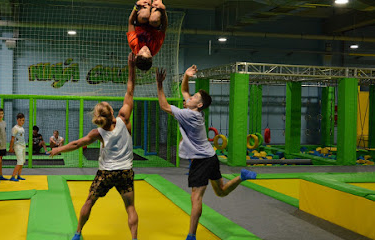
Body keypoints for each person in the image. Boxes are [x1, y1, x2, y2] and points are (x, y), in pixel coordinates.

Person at [156, 65, 257, 240]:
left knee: (196, 197)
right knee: (222, 191)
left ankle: (191, 235)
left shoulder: (189, 115)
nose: (190, 97)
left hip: (202, 161)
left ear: (199, 104)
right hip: (211, 157)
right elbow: (185, 90)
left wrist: (159, 84)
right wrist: (186, 76)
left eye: (194, 97)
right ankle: (242, 176)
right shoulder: (194, 110)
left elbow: (164, 106)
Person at [50, 53, 138, 240]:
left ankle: (78, 233)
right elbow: (130, 90)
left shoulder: (97, 133)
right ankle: (134, 238)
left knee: (90, 201)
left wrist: (57, 149)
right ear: (112, 111)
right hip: (125, 172)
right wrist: (131, 67)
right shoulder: (124, 119)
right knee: (130, 207)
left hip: (106, 173)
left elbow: (76, 144)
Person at [127, 0, 167, 71]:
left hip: (141, 23)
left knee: (144, 15)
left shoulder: (134, 45)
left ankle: (146, 2)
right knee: (154, 19)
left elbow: (131, 22)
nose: (145, 48)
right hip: (154, 26)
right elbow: (164, 27)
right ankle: (157, 2)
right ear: (151, 56)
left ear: (136, 55)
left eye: (142, 51)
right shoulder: (155, 48)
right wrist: (163, 10)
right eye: (148, 52)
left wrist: (136, 6)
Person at [8, 113, 27, 181]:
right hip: (18, 146)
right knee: (19, 162)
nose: (22, 122)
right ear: (17, 120)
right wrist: (11, 148)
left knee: (22, 161)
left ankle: (19, 175)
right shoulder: (15, 128)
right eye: (20, 120)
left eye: (23, 120)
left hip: (23, 146)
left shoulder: (22, 128)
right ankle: (13, 176)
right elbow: (12, 139)